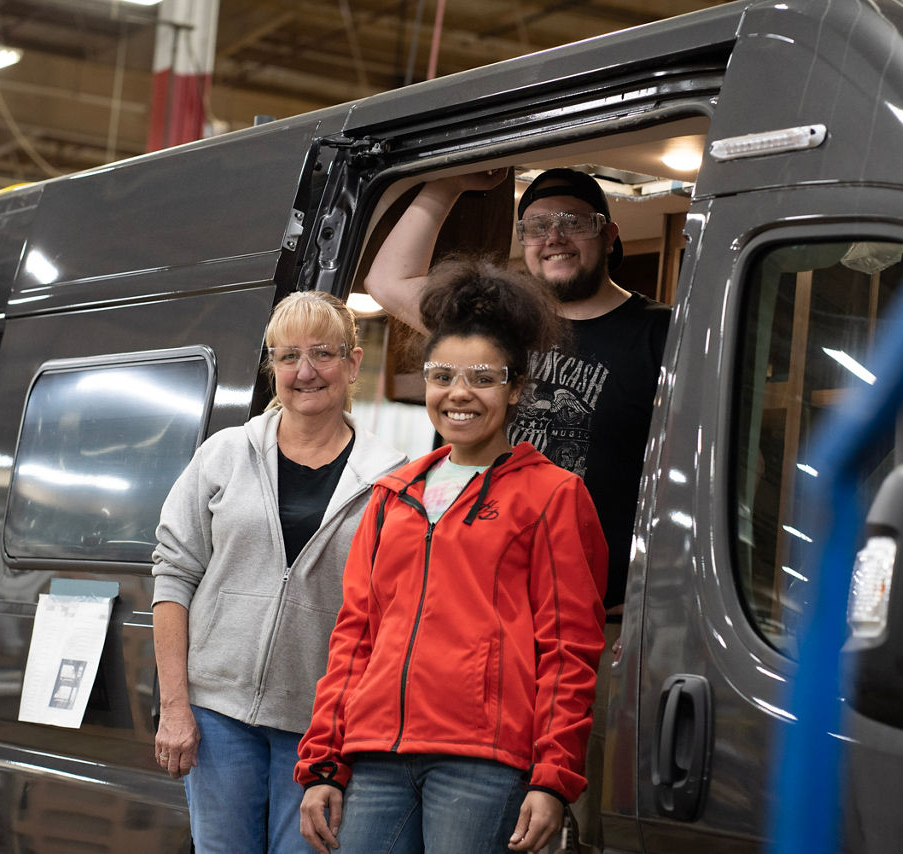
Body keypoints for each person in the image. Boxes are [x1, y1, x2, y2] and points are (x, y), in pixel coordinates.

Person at [363, 167, 671, 850]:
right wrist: (447, 184)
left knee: (572, 825)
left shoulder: (660, 334)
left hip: (598, 629)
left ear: (609, 235)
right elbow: (387, 283)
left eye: (573, 222)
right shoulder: (498, 329)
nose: (552, 238)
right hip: (476, 626)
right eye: (535, 226)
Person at [296, 257, 608, 854]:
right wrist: (323, 760)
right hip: (378, 755)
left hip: (483, 763)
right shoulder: (393, 495)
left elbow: (570, 649)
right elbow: (355, 635)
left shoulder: (553, 496)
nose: (459, 394)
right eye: (442, 375)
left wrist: (553, 777)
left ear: (516, 388)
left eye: (483, 378)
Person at [151, 291, 406, 854]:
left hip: (321, 725)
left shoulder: (392, 478)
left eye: (323, 353)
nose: (305, 371)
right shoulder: (223, 455)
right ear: (272, 367)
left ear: (354, 362)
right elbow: (173, 577)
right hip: (217, 714)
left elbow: (394, 616)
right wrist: (175, 707)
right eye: (287, 356)